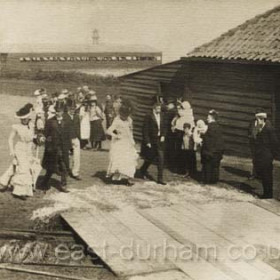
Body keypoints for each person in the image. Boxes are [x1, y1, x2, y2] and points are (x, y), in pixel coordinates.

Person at [0, 104, 35, 200]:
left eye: (26, 118)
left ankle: (3, 182)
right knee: (24, 168)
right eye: (22, 119)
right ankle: (19, 191)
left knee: (15, 166)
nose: (24, 120)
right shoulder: (16, 127)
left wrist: (37, 140)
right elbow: (10, 139)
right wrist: (11, 150)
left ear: (28, 118)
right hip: (20, 149)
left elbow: (33, 137)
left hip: (28, 149)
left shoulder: (32, 125)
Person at [106, 102, 138, 186]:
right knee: (120, 160)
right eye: (124, 115)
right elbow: (108, 131)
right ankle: (117, 177)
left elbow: (130, 131)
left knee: (129, 160)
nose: (125, 117)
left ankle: (129, 178)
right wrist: (116, 135)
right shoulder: (117, 120)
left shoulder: (130, 120)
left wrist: (132, 140)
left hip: (127, 142)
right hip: (119, 143)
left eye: (127, 115)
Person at [41, 103, 70, 192]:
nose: (58, 113)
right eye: (57, 111)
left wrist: (70, 148)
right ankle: (45, 182)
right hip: (52, 148)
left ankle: (63, 185)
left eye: (60, 111)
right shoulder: (50, 121)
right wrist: (45, 141)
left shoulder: (67, 121)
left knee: (64, 166)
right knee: (51, 167)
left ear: (63, 111)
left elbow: (68, 136)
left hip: (63, 148)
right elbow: (45, 134)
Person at [139, 102, 167, 185]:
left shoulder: (162, 116)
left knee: (161, 158)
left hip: (159, 140)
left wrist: (163, 135)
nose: (159, 110)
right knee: (150, 158)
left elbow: (164, 127)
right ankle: (143, 169)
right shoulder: (148, 116)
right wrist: (147, 141)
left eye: (160, 108)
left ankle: (160, 179)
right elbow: (145, 129)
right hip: (151, 140)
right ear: (153, 108)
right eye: (158, 108)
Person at [253, 110, 279, 199]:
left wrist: (273, 155)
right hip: (261, 156)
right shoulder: (261, 128)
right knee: (264, 175)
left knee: (267, 176)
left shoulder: (269, 129)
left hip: (267, 156)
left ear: (262, 119)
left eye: (258, 120)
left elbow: (275, 143)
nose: (256, 122)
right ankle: (266, 193)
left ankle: (268, 195)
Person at [201, 109, 224, 184]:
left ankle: (207, 180)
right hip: (217, 150)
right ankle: (214, 180)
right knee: (215, 166)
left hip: (210, 150)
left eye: (208, 117)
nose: (207, 118)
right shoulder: (218, 126)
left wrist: (202, 139)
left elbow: (208, 140)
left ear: (211, 117)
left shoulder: (209, 127)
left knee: (207, 165)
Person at [171, 101, 195, 174]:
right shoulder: (185, 113)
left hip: (184, 134)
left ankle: (183, 169)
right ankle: (180, 168)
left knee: (183, 152)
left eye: (182, 107)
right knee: (179, 152)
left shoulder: (186, 114)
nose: (180, 108)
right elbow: (174, 121)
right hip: (180, 133)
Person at [63, 100, 81, 180]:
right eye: (71, 108)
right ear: (67, 108)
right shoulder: (64, 116)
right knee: (66, 156)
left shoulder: (77, 117)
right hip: (66, 139)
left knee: (76, 156)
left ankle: (75, 172)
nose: (72, 110)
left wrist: (79, 137)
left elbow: (78, 128)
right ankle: (65, 171)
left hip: (75, 138)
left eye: (74, 108)